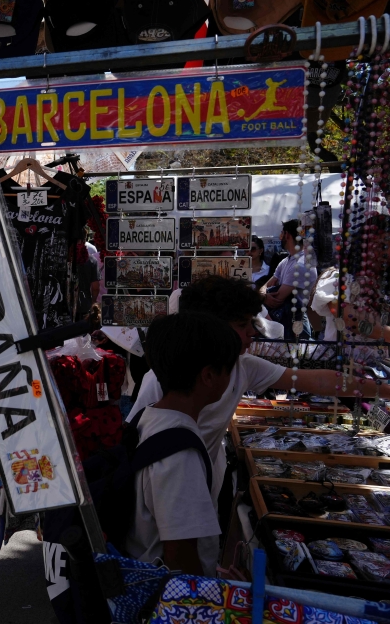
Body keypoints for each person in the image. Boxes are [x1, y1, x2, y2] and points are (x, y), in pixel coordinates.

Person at [126, 276, 383, 562]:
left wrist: (383, 388)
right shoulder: (164, 391)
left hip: (198, 490)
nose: (252, 333)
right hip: (167, 519)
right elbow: (179, 554)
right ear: (210, 329)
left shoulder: (239, 366)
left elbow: (318, 380)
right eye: (242, 325)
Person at [124, 313, 241, 576]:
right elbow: (179, 555)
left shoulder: (150, 416)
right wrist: (208, 593)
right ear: (209, 376)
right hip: (167, 598)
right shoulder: (180, 451)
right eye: (230, 368)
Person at [260, 219, 317, 338]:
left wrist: (263, 295)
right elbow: (266, 286)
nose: (280, 237)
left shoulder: (300, 265)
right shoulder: (286, 261)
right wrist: (263, 295)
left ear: (287, 234)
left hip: (294, 326)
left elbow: (276, 300)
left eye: (282, 233)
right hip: (287, 322)